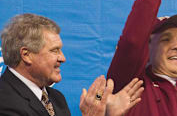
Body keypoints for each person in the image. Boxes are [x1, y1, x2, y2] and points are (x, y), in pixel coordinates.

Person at [0, 13, 143, 116]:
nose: (63, 58)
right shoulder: (4, 102)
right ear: (27, 55)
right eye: (55, 50)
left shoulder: (56, 99)